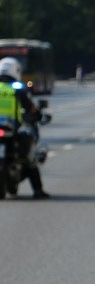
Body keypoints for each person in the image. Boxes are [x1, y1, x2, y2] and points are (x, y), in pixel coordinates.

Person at [0, 57, 50, 199]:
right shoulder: (17, 88)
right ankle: (38, 190)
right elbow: (30, 108)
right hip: (11, 128)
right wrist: (39, 114)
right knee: (29, 157)